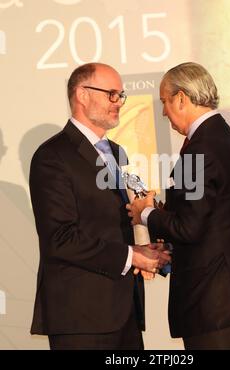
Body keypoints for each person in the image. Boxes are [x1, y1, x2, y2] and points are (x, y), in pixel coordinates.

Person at [126, 62, 230, 350]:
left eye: (165, 101)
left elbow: (189, 227)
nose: (164, 111)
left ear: (181, 98)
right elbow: (209, 218)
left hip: (214, 308)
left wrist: (145, 212)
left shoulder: (200, 149)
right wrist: (163, 212)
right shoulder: (228, 142)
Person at [29, 62, 170, 350]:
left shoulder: (117, 152)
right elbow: (60, 238)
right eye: (111, 94)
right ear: (82, 94)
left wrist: (146, 247)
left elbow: (117, 220)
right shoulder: (52, 156)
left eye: (121, 95)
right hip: (81, 317)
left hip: (124, 311)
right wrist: (132, 256)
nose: (118, 102)